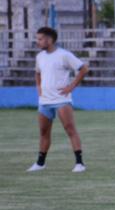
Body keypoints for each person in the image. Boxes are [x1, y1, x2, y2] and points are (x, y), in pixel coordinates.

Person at [27, 27, 89, 173]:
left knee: (70, 129)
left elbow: (84, 69)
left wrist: (71, 86)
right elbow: (37, 73)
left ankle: (80, 163)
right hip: (44, 101)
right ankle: (40, 163)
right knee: (43, 132)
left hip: (62, 100)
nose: (38, 42)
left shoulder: (64, 55)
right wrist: (39, 88)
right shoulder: (40, 57)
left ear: (50, 40)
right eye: (37, 39)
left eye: (40, 39)